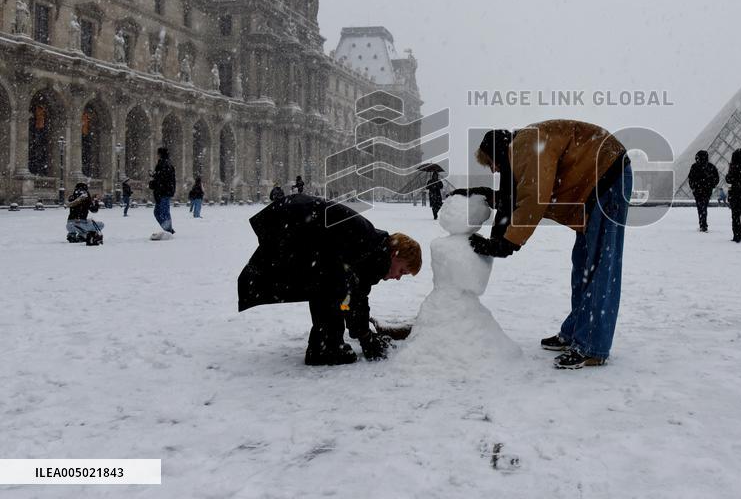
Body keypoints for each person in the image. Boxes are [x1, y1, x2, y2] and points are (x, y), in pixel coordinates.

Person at [456, 120, 630, 369]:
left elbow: (533, 196)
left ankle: (592, 345)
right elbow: (515, 196)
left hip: (607, 178)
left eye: (492, 164)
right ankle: (576, 331)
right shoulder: (521, 149)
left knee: (600, 265)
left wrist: (507, 243)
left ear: (497, 153)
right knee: (582, 266)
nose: (495, 171)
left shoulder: (524, 145)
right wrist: (488, 200)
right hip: (593, 186)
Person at [237, 194, 423, 365]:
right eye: (403, 271)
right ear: (395, 254)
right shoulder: (367, 245)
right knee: (332, 284)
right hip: (291, 224)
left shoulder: (372, 249)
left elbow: (355, 294)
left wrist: (364, 333)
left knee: (332, 283)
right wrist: (365, 336)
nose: (398, 278)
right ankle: (325, 348)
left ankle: (326, 346)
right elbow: (351, 294)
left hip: (289, 221)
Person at [687, 150, 719, 232]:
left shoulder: (694, 166)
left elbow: (690, 179)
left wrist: (693, 187)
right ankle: (703, 223)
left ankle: (702, 224)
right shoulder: (711, 166)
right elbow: (716, 178)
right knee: (704, 206)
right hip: (707, 190)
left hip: (697, 190)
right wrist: (712, 185)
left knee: (700, 207)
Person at [149, 147, 176, 234]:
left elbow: (163, 179)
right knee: (158, 212)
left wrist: (154, 182)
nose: (156, 155)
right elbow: (163, 178)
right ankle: (168, 229)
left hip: (163, 192)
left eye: (157, 154)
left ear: (160, 154)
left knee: (163, 212)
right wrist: (155, 176)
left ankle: (168, 230)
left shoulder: (164, 164)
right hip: (163, 191)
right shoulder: (165, 164)